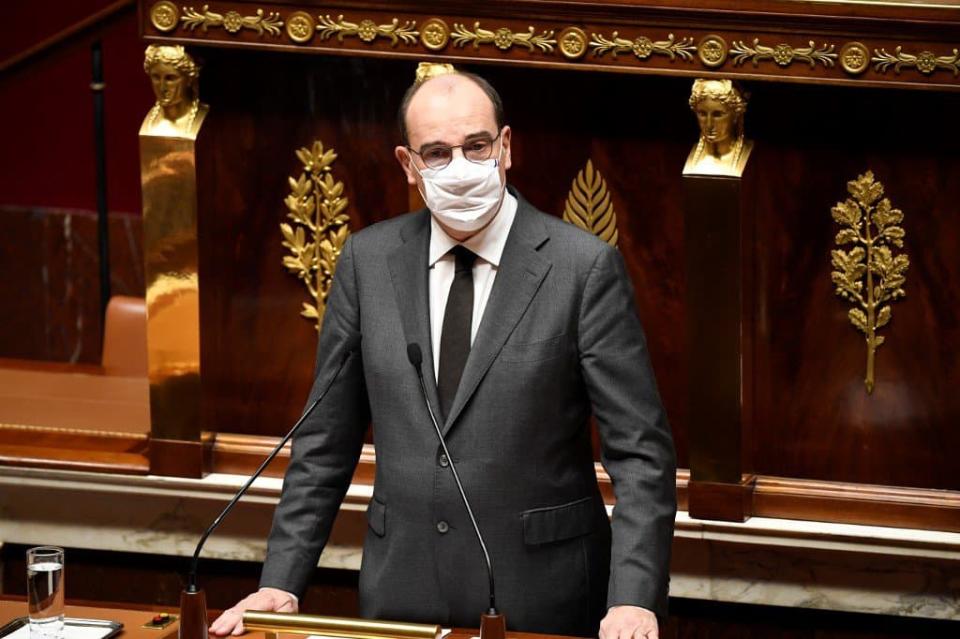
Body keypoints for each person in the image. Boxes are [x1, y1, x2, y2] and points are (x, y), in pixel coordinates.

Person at [211, 71, 676, 639]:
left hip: (543, 595)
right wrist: (281, 582)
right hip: (401, 595)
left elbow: (640, 454)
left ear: (505, 147)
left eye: (476, 146)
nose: (460, 166)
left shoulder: (583, 268)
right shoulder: (367, 261)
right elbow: (324, 442)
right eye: (436, 152)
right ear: (409, 164)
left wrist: (633, 598)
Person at [683, 78, 752, 177]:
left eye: (718, 114)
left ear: (736, 115)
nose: (709, 124)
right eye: (702, 114)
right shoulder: (687, 157)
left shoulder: (753, 158)